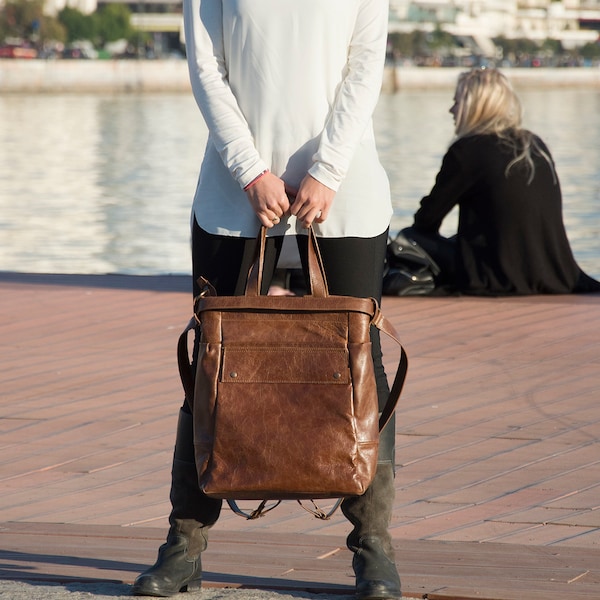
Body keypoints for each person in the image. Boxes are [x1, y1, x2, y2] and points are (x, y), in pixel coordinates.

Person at [132, 1, 401, 599]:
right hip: (233, 197)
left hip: (344, 193)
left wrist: (328, 169)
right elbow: (207, 71)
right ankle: (184, 548)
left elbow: (365, 66)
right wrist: (250, 169)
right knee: (213, 369)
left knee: (363, 368)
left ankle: (374, 554)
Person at [394, 67, 600, 296]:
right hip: (553, 272)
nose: (451, 110)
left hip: (494, 275)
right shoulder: (534, 144)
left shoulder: (467, 151)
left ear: (475, 108)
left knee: (409, 238)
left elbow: (426, 221)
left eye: (457, 102)